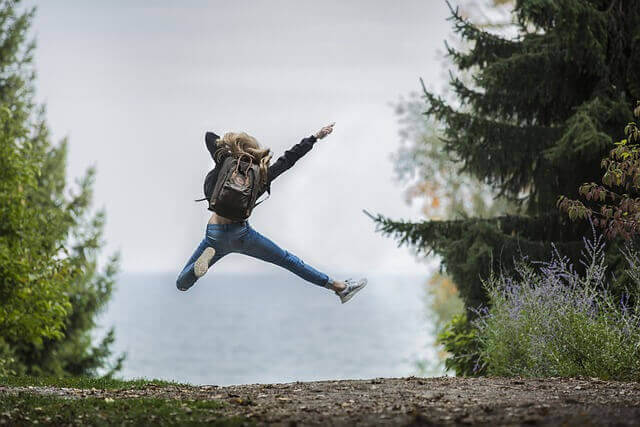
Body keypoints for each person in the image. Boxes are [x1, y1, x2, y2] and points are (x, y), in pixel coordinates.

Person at [176, 123, 367, 304]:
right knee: (288, 261)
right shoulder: (261, 174)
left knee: (182, 284)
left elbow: (209, 136)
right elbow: (289, 159)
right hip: (242, 235)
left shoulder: (225, 161)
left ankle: (196, 270)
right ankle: (340, 288)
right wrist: (315, 137)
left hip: (214, 234)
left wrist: (230, 149)